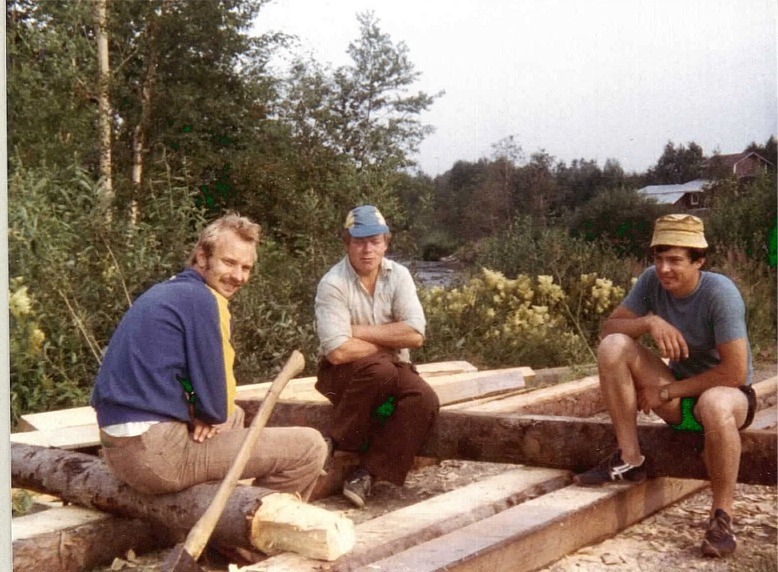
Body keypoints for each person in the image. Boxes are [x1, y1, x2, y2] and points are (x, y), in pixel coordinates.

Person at [91, 212, 328, 501]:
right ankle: (243, 534)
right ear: (201, 257)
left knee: (235, 416)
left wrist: (203, 412)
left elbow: (185, 383)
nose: (238, 276)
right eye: (229, 262)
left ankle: (220, 512)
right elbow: (216, 406)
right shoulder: (203, 300)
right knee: (310, 446)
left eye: (246, 267)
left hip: (119, 449)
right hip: (155, 454)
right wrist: (206, 413)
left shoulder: (169, 291)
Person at [574, 213, 756, 558]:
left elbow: (735, 372)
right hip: (684, 408)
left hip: (729, 402)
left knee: (714, 403)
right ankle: (630, 459)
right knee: (613, 346)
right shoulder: (651, 282)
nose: (664, 269)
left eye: (675, 260)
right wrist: (649, 321)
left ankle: (722, 517)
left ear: (699, 260)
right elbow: (608, 327)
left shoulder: (721, 294)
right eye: (658, 259)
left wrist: (666, 392)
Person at [314, 205, 440, 508]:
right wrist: (387, 342)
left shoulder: (399, 276)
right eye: (359, 241)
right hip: (341, 375)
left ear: (386, 243)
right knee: (379, 371)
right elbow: (339, 350)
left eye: (375, 241)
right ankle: (336, 443)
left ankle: (369, 473)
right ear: (347, 244)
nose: (367, 249)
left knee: (424, 399)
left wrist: (358, 331)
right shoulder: (332, 283)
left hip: (390, 368)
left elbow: (415, 334)